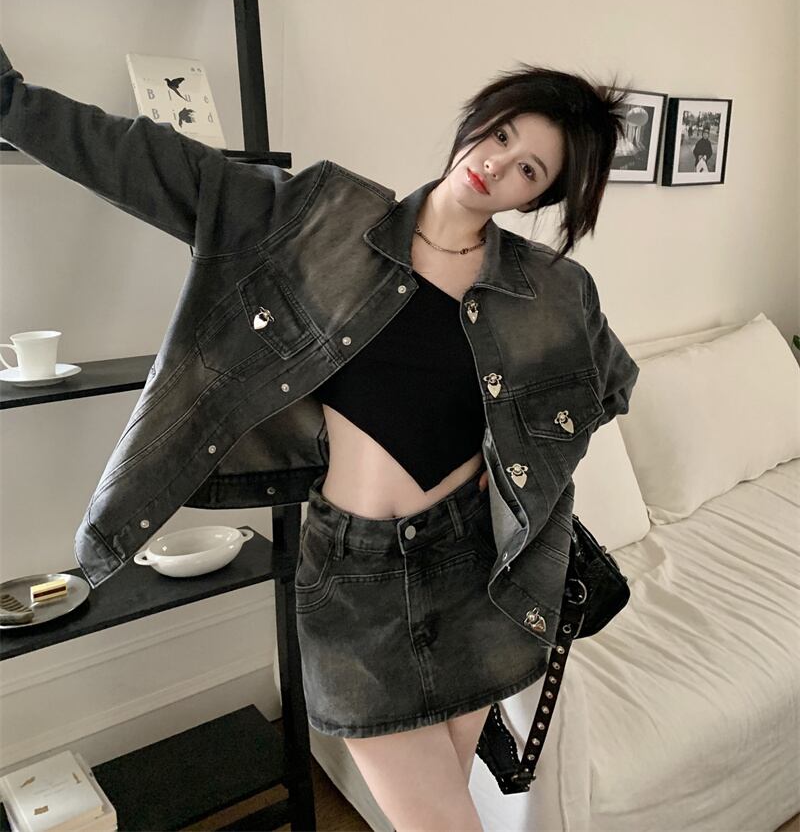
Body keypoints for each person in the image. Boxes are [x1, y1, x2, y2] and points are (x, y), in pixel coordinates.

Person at [0, 46, 637, 831]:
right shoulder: (320, 219)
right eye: (502, 135)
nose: (496, 165)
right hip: (352, 576)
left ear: (540, 196)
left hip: (478, 571)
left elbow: (609, 384)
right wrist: (11, 103)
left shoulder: (550, 288)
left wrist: (517, 463)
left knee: (444, 811)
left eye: (529, 170)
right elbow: (149, 160)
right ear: (479, 119)